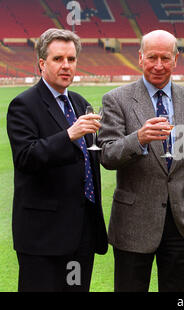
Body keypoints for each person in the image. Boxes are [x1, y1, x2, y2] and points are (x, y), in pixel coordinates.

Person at [98, 30, 184, 292]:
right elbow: (106, 154)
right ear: (140, 58)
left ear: (176, 59)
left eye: (166, 58)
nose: (159, 65)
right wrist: (138, 139)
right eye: (152, 57)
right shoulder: (116, 100)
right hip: (134, 224)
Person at [6, 28, 108, 292]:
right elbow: (26, 157)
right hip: (44, 237)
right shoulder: (24, 105)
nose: (66, 66)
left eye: (71, 60)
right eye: (58, 59)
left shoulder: (78, 101)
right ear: (42, 63)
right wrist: (69, 135)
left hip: (81, 232)